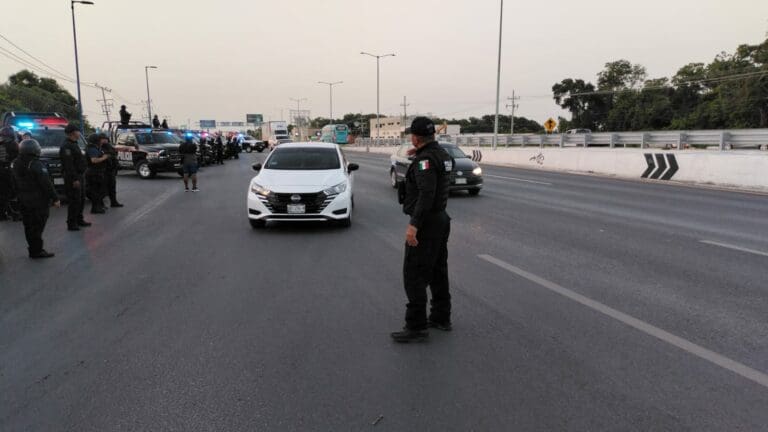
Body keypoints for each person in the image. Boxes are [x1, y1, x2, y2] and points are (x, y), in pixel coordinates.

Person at [391, 117, 453, 343]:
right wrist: (418, 154)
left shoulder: (424, 161)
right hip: (441, 220)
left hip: (426, 223)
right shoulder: (443, 155)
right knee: (437, 270)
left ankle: (416, 326)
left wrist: (413, 225)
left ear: (415, 137)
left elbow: (426, 194)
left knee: (414, 274)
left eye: (412, 135)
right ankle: (440, 317)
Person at [12, 139, 61, 258]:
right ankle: (37, 250)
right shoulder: (36, 164)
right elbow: (46, 183)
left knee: (28, 225)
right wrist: (55, 198)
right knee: (38, 225)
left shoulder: (15, 163)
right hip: (37, 200)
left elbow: (12, 182)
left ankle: (33, 249)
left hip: (23, 199)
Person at [60, 123, 91, 231]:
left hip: (80, 175)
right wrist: (74, 179)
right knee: (74, 200)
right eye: (78, 131)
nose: (79, 133)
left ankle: (79, 219)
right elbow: (68, 165)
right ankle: (71, 223)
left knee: (81, 199)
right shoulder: (66, 146)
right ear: (73, 133)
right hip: (73, 177)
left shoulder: (74, 143)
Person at [85, 133, 110, 214]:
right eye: (99, 140)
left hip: (96, 172)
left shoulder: (95, 147)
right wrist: (104, 157)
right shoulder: (92, 148)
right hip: (93, 173)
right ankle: (95, 208)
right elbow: (94, 160)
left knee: (99, 191)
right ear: (96, 140)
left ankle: (98, 206)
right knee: (95, 191)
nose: (100, 141)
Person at [0, 126, 21, 221]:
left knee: (3, 194)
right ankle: (15, 214)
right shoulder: (13, 144)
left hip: (4, 170)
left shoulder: (2, 144)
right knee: (12, 193)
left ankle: (4, 214)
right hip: (8, 172)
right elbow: (16, 159)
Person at [101, 134, 123, 207]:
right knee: (103, 188)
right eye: (103, 139)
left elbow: (114, 155)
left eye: (105, 138)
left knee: (112, 187)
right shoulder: (99, 147)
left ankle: (114, 202)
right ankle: (101, 204)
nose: (105, 140)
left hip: (111, 169)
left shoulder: (109, 146)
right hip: (104, 170)